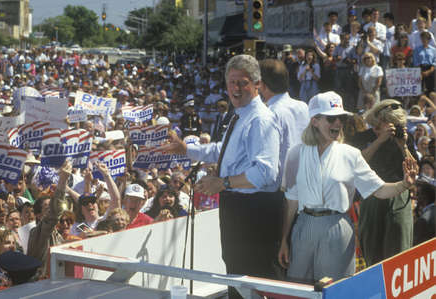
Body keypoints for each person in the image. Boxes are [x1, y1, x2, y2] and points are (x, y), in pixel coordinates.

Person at [162, 54, 282, 299]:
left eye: (243, 82)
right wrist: (186, 149)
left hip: (254, 212)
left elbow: (266, 172)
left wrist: (223, 183)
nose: (236, 89)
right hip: (237, 207)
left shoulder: (260, 120)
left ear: (257, 84)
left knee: (252, 278)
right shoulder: (239, 114)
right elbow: (222, 151)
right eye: (232, 82)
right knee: (235, 271)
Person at [278, 91, 418, 283]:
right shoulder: (295, 153)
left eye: (341, 118)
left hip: (337, 226)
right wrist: (284, 239)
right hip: (303, 226)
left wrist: (404, 184)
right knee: (298, 289)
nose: (337, 124)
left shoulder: (350, 154)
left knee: (337, 290)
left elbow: (379, 189)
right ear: (315, 120)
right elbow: (291, 201)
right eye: (331, 118)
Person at [350, 100, 419, 266]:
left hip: (399, 195)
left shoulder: (403, 138)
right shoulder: (363, 137)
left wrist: (403, 146)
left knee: (399, 251)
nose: (392, 127)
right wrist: (379, 140)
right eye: (387, 122)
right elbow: (355, 163)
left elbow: (414, 169)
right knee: (373, 251)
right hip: (372, 194)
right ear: (377, 121)